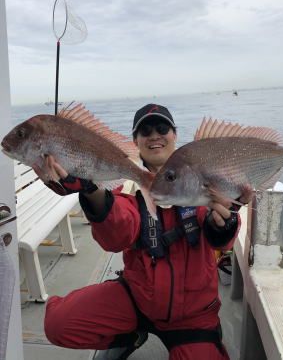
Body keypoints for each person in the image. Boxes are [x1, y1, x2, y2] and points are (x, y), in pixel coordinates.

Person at [33, 104, 252, 360]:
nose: (154, 135)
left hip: (193, 313)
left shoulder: (202, 174)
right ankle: (132, 335)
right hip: (137, 299)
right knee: (59, 324)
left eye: (162, 128)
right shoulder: (126, 185)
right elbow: (117, 237)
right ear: (135, 141)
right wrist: (91, 190)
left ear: (175, 135)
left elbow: (221, 242)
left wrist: (226, 220)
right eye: (145, 130)